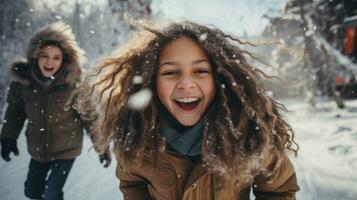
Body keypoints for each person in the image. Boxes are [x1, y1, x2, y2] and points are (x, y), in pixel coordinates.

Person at [81, 21, 300, 199]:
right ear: (152, 82)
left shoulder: (250, 135)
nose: (186, 83)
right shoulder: (137, 138)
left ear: (219, 79)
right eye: (170, 73)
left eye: (201, 70)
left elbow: (279, 190)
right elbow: (133, 184)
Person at [0, 21, 111, 200]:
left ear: (64, 60)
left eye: (56, 57)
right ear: (35, 56)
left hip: (66, 150)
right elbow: (15, 111)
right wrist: (8, 138)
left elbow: (90, 117)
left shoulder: (74, 84)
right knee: (32, 192)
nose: (50, 61)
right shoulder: (24, 84)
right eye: (44, 55)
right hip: (37, 150)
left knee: (51, 194)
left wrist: (102, 147)